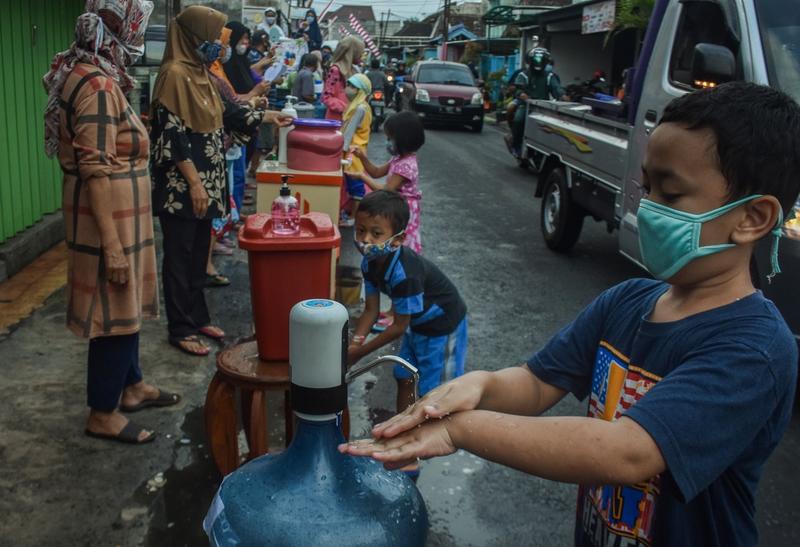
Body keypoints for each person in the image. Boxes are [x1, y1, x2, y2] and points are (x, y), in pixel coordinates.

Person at [341, 82, 800, 547]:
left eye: (673, 194)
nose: (648, 208)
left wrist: (461, 428)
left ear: (752, 219)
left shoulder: (755, 350)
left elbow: (627, 452)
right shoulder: (628, 300)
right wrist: (479, 385)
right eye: (648, 187)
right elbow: (538, 382)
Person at [42, 0, 180, 445]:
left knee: (127, 307)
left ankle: (132, 385)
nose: (138, 41)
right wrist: (113, 247)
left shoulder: (85, 70)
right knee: (113, 312)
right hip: (108, 223)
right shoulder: (99, 84)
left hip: (120, 217)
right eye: (137, 29)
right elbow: (95, 169)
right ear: (123, 30)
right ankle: (103, 411)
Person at [150, 6, 285, 357]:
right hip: (184, 187)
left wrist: (268, 115)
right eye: (210, 38)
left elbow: (228, 113)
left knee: (197, 256)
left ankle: (197, 317)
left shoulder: (200, 74)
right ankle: (180, 328)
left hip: (208, 182)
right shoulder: (174, 74)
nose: (216, 45)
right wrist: (194, 183)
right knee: (179, 257)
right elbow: (173, 135)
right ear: (191, 37)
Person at [348, 190, 468, 477]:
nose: (366, 240)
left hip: (442, 327)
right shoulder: (369, 262)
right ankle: (402, 433)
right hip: (417, 325)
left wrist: (359, 353)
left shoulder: (404, 273)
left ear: (398, 239)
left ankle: (415, 453)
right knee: (404, 377)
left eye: (377, 234)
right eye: (361, 230)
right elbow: (371, 312)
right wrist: (354, 343)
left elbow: (398, 326)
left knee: (434, 395)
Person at [353, 111, 426, 332]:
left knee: (398, 261)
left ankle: (396, 314)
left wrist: (361, 177)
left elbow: (385, 189)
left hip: (402, 216)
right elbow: (376, 172)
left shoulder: (407, 165)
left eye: (390, 137)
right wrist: (362, 158)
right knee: (392, 258)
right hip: (394, 212)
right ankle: (392, 310)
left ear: (401, 139)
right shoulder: (398, 158)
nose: (387, 142)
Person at [223, 21, 270, 210]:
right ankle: (230, 217)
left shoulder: (240, 62)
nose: (245, 43)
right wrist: (253, 95)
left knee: (238, 173)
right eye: (242, 39)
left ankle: (235, 212)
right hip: (233, 127)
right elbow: (231, 101)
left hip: (246, 123)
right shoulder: (224, 67)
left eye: (247, 39)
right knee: (233, 175)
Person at [507, 47, 567, 158]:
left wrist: (563, 96)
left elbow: (557, 88)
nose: (538, 63)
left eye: (542, 60)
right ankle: (516, 144)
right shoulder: (523, 74)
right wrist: (522, 95)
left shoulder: (550, 76)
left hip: (544, 107)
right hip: (526, 105)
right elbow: (517, 88)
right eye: (535, 60)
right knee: (519, 120)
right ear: (530, 61)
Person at [340, 74, 373, 227]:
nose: (348, 89)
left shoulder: (359, 108)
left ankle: (353, 217)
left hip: (353, 151)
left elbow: (349, 133)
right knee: (353, 184)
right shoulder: (362, 106)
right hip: (357, 150)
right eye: (349, 85)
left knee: (355, 186)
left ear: (361, 91)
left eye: (353, 87)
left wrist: (341, 150)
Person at [323, 36, 365, 121]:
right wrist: (347, 108)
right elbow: (327, 97)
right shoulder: (335, 70)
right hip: (337, 120)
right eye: (360, 52)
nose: (361, 56)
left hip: (350, 118)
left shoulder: (354, 70)